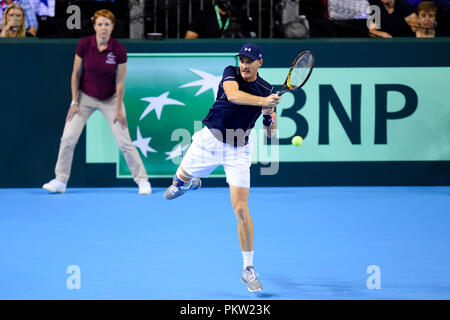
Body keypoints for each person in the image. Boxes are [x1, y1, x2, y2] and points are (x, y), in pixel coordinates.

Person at [163, 43, 281, 292]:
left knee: (241, 210)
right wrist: (263, 101)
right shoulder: (231, 73)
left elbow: (271, 135)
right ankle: (187, 183)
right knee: (172, 190)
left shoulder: (267, 89)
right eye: (242, 60)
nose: (244, 65)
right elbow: (234, 96)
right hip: (209, 142)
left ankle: (248, 269)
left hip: (238, 151)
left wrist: (269, 112)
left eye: (249, 61)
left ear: (260, 63)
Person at [42, 9, 151, 195]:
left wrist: (118, 109)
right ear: (94, 26)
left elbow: (120, 81)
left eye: (107, 25)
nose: (103, 28)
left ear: (112, 27)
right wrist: (74, 102)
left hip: (111, 100)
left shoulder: (118, 50)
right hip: (85, 98)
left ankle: (142, 181)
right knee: (68, 138)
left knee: (124, 142)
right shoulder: (84, 45)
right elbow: (76, 75)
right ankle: (60, 180)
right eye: (100, 24)